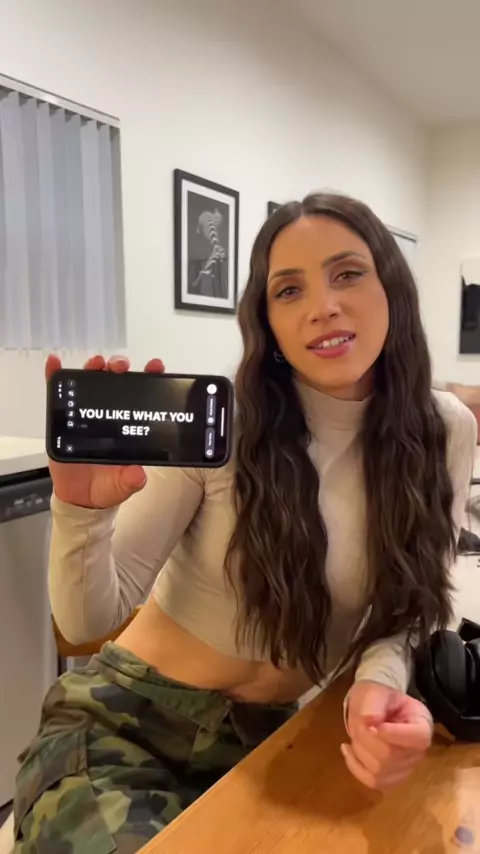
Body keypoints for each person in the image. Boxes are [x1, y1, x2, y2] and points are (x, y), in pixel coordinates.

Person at [14, 193, 477, 853]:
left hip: (271, 740)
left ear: (392, 287)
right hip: (125, 727)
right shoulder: (224, 426)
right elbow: (87, 620)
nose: (323, 306)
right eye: (289, 290)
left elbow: (411, 606)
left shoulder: (445, 432)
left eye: (348, 273)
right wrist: (83, 511)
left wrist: (377, 690)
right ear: (268, 321)